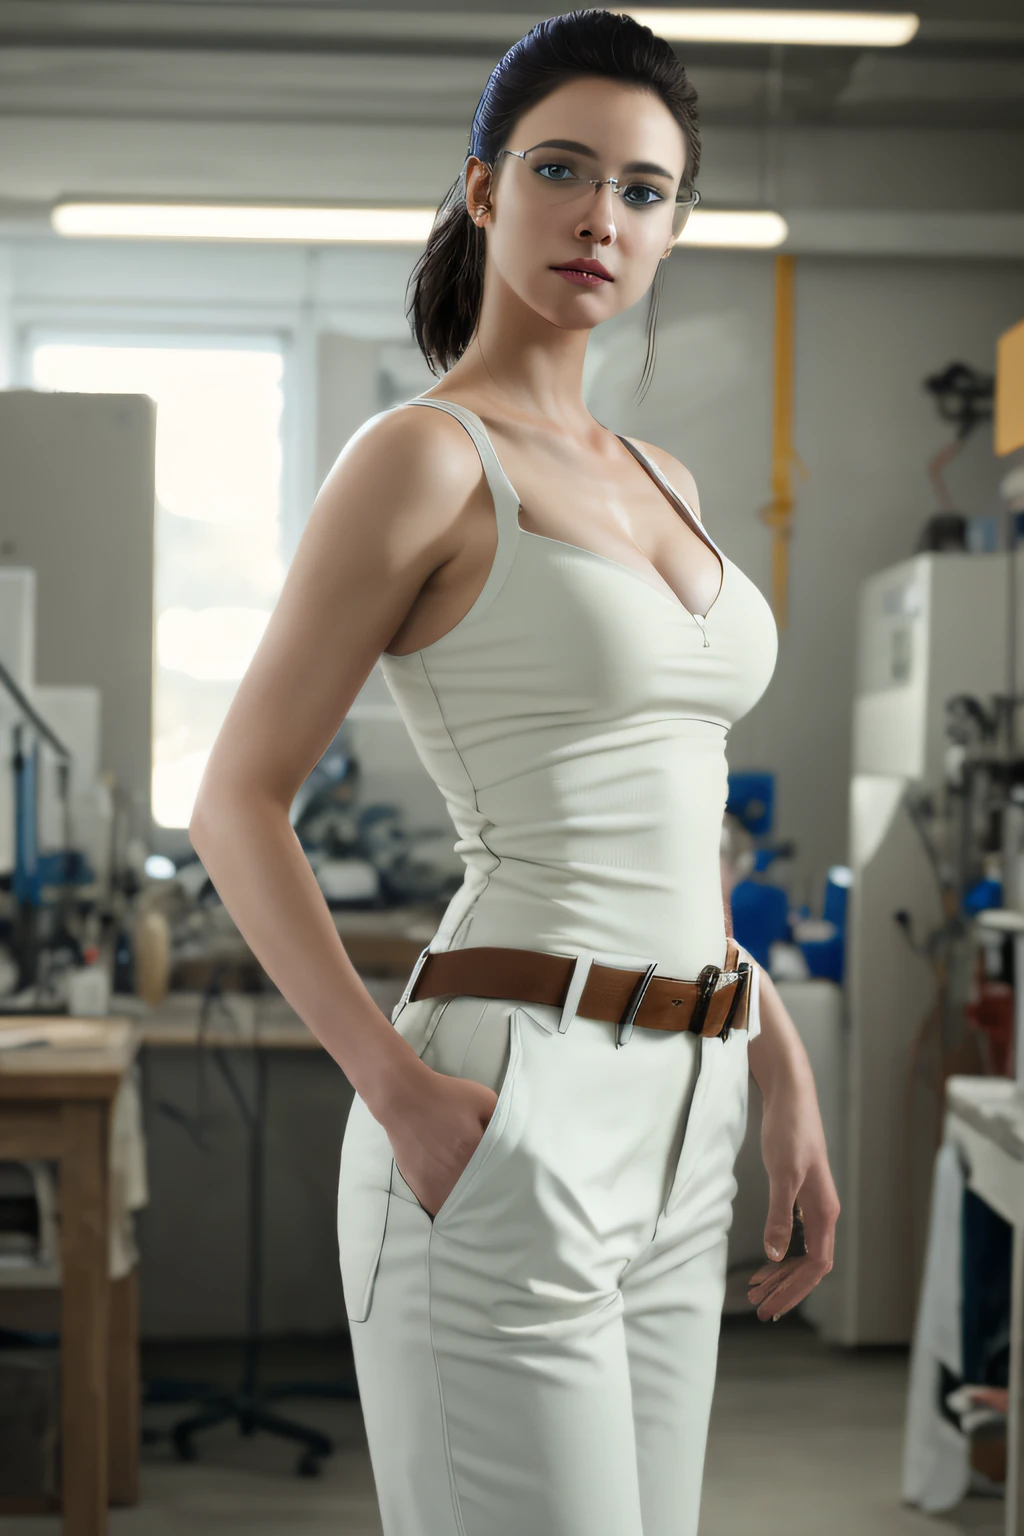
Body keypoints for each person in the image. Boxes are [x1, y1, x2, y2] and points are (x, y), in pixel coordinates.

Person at [189, 9, 840, 1534]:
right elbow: (236, 800)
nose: (599, 217)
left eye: (643, 189)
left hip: (693, 1115)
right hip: (508, 1096)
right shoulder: (422, 456)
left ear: (674, 229)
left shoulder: (664, 481)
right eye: (562, 168)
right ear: (483, 190)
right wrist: (396, 1090)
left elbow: (671, 819)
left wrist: (779, 1057)